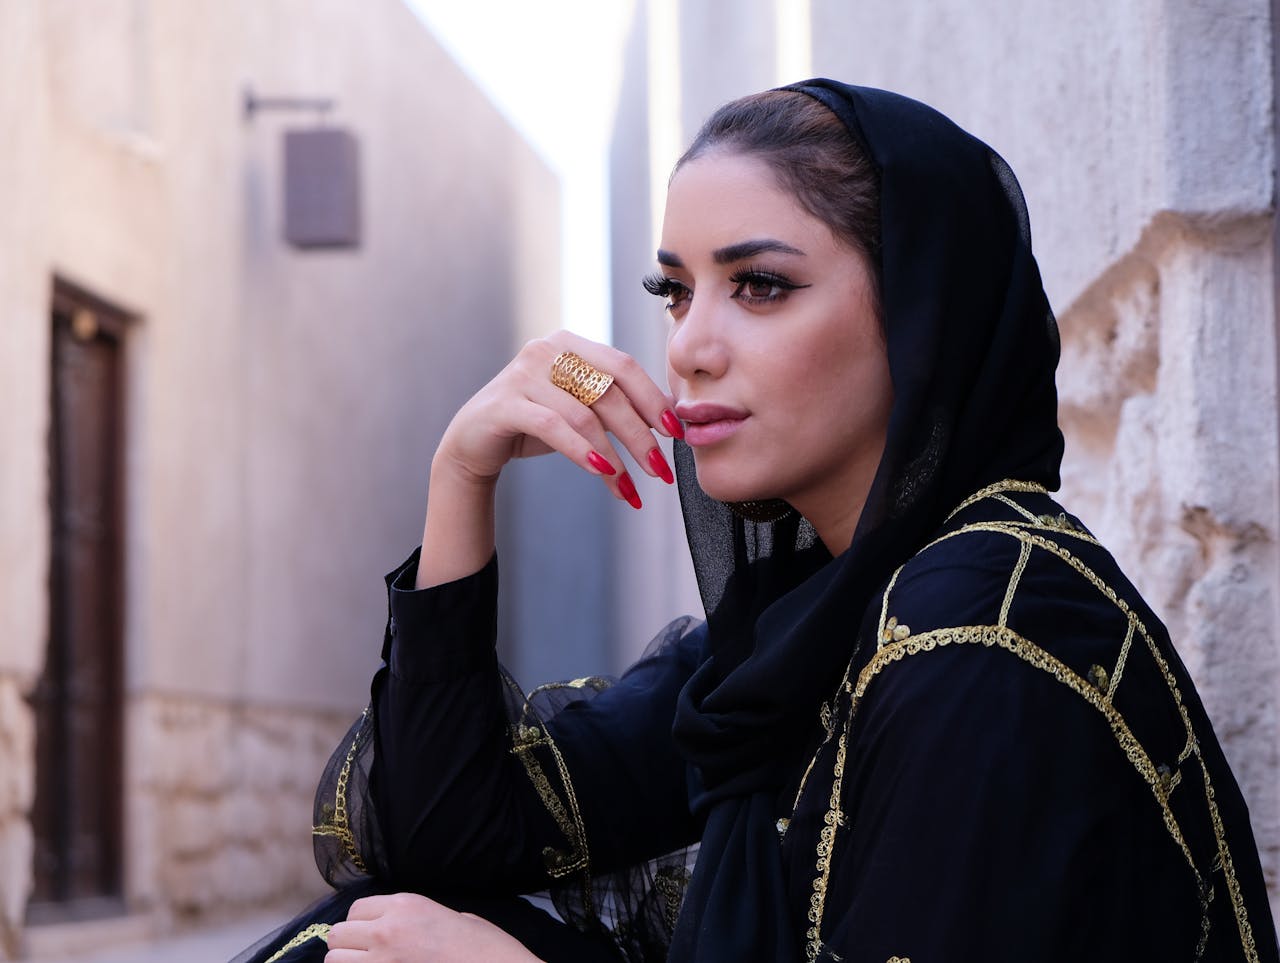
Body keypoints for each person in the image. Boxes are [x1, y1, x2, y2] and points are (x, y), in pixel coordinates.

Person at [237, 80, 1279, 963]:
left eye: (761, 286)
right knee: (372, 933)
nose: (689, 344)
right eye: (676, 291)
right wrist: (459, 475)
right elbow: (440, 839)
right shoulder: (790, 635)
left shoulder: (979, 636)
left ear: (920, 316)